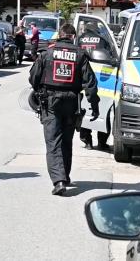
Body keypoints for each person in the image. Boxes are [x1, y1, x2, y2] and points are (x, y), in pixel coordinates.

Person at [29, 24, 99, 196]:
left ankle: (59, 180)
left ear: (59, 35)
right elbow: (90, 83)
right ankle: (64, 176)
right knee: (66, 141)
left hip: (50, 102)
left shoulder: (46, 53)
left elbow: (33, 78)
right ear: (73, 37)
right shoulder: (80, 55)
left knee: (53, 141)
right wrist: (94, 105)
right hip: (71, 103)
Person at [77, 22, 112, 150]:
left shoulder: (80, 39)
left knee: (83, 109)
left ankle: (87, 142)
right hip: (101, 77)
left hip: (82, 77)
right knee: (103, 110)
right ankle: (102, 142)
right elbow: (110, 56)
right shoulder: (102, 39)